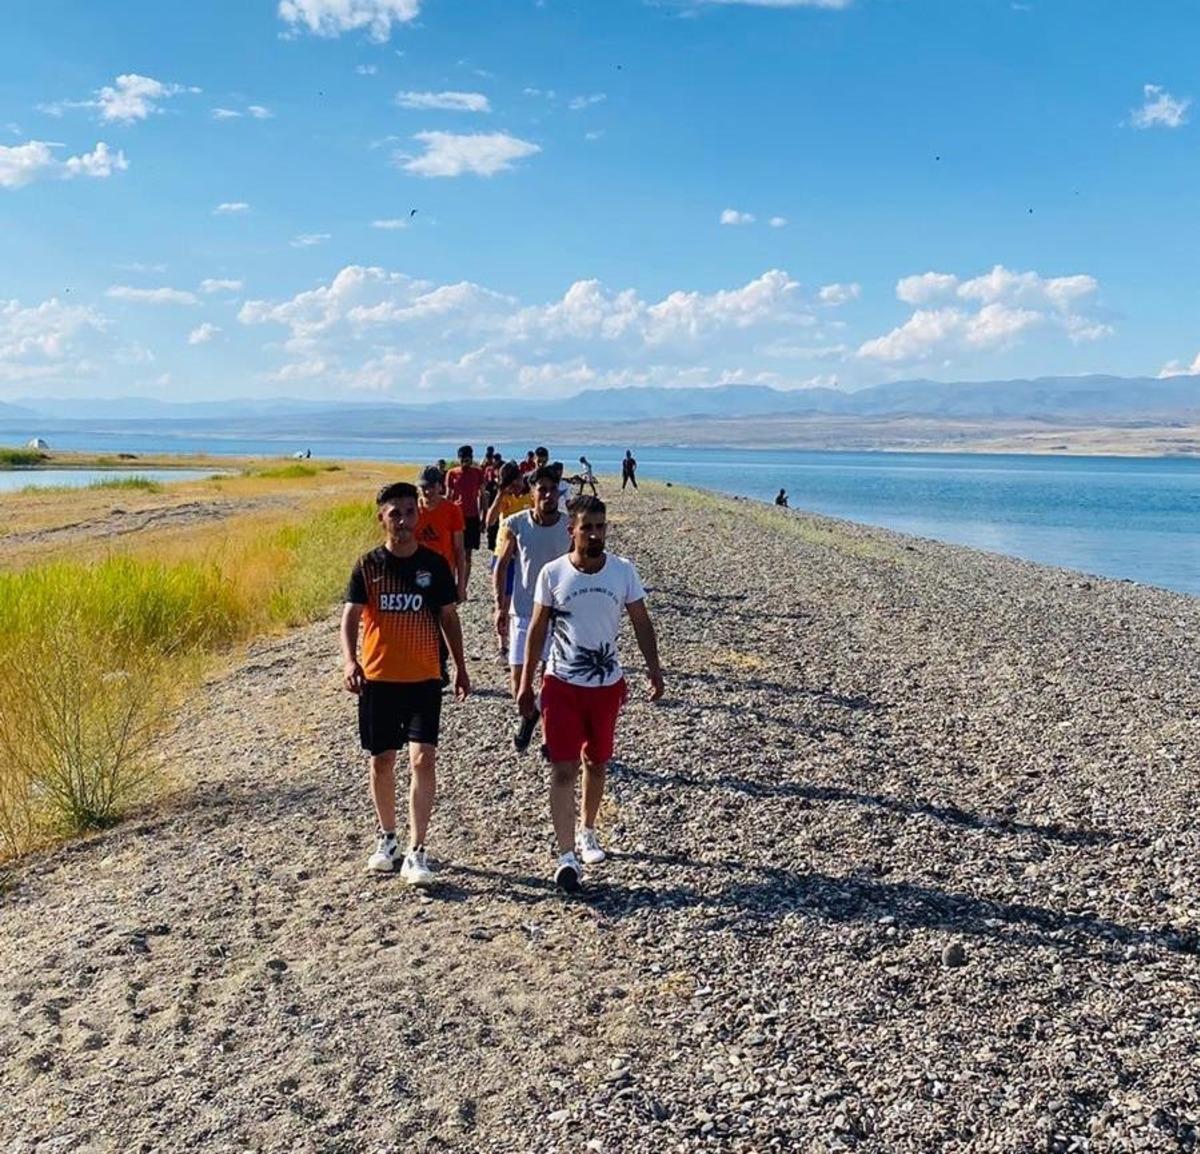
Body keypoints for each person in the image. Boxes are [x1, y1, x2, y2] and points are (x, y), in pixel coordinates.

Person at [517, 496, 664, 892]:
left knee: (596, 763)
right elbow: (537, 629)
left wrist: (654, 668)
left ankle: (587, 830)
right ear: (572, 531)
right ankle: (566, 857)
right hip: (561, 685)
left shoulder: (623, 571)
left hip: (606, 687)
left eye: (601, 527)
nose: (595, 534)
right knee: (563, 768)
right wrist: (525, 682)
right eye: (588, 528)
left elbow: (641, 621)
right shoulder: (553, 573)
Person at [340, 482, 470, 885]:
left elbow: (448, 617)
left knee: (422, 759)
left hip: (424, 679)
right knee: (382, 761)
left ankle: (417, 850)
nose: (403, 520)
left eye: (410, 512)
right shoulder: (368, 566)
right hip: (379, 680)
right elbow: (350, 617)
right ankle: (388, 838)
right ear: (382, 518)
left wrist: (461, 667)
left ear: (418, 515)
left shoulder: (434, 566)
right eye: (395, 513)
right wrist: (350, 661)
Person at [494, 467, 571, 750]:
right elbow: (502, 566)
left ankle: (549, 738)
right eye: (543, 489)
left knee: (551, 678)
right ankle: (530, 715)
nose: (548, 495)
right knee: (519, 684)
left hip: (558, 615)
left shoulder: (569, 526)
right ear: (532, 493)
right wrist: (499, 606)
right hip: (524, 611)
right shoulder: (516, 524)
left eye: (553, 489)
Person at [415, 465, 467, 603]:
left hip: (444, 576)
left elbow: (459, 550)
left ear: (440, 486)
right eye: (423, 487)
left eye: (431, 486)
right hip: (417, 576)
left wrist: (461, 586)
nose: (427, 491)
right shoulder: (412, 511)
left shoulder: (452, 510)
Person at [445, 445, 486, 590]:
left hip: (472, 517)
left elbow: (483, 496)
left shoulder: (478, 473)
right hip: (456, 517)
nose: (465, 461)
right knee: (454, 552)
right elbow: (449, 497)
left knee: (467, 554)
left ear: (472, 458)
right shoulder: (452, 473)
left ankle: (462, 586)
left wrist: (484, 517)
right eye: (463, 459)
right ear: (459, 458)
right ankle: (451, 584)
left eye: (468, 458)